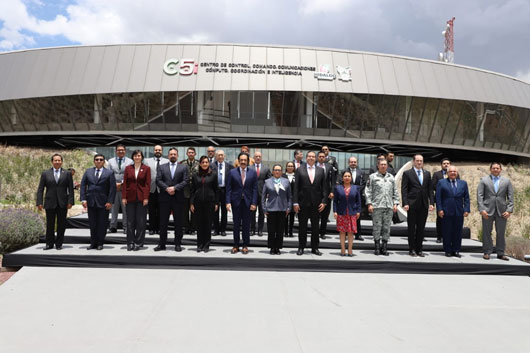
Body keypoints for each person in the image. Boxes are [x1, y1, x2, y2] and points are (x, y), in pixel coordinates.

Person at [293, 151, 329, 256]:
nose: (311, 158)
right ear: (306, 157)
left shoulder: (321, 171)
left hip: (316, 204)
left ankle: (315, 248)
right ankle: (301, 247)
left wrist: (324, 202)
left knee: (315, 228)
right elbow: (296, 188)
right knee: (302, 227)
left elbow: (324, 188)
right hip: (302, 203)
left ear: (316, 158)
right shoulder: (300, 170)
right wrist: (295, 202)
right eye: (309, 156)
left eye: (313, 156)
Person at [36, 154, 74, 250]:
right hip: (50, 202)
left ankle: (59, 244)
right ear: (52, 162)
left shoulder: (67, 173)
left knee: (61, 224)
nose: (57, 162)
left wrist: (70, 201)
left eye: (59, 160)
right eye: (55, 160)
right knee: (50, 224)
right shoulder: (45, 173)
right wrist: (39, 202)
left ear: (62, 162)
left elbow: (70, 189)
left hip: (62, 203)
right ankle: (49, 244)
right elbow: (40, 189)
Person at [477, 162, 513, 261]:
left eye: (497, 168)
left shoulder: (506, 181)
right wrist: (482, 209)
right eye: (494, 168)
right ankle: (487, 252)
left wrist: (509, 210)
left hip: (502, 211)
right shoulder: (484, 180)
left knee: (501, 232)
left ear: (500, 169)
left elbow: (510, 197)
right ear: (490, 169)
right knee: (487, 232)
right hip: (487, 210)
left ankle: (500, 253)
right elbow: (479, 196)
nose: (495, 170)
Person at [80, 154, 116, 250]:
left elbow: (112, 189)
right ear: (94, 161)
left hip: (104, 202)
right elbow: (83, 185)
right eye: (96, 159)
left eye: (101, 159)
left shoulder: (109, 173)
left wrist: (110, 201)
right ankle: (93, 243)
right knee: (92, 224)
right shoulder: (88, 171)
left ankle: (100, 243)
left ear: (104, 161)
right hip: (91, 202)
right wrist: (83, 199)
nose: (98, 161)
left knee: (102, 224)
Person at [401, 154, 434, 257]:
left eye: (421, 161)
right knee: (411, 228)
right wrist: (405, 203)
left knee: (421, 228)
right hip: (412, 204)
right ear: (413, 161)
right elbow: (404, 190)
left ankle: (419, 249)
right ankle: (412, 249)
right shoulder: (407, 173)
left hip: (424, 205)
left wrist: (432, 203)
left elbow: (430, 190)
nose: (419, 163)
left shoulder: (427, 174)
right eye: (417, 161)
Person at [155, 148, 188, 252]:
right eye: (171, 154)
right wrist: (166, 188)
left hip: (178, 198)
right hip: (165, 198)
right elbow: (158, 180)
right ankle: (162, 244)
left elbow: (186, 180)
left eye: (175, 154)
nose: (173, 155)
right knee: (163, 222)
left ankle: (177, 244)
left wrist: (175, 188)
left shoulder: (183, 167)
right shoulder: (161, 167)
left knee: (178, 222)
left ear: (177, 156)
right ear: (168, 156)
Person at [365, 159, 399, 256]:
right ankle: (376, 247)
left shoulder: (391, 177)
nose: (383, 166)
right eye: (382, 164)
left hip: (388, 206)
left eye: (385, 164)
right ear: (378, 166)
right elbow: (368, 191)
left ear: (387, 166)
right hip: (377, 206)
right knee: (377, 227)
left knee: (386, 228)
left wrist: (395, 203)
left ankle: (384, 248)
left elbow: (395, 192)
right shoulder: (372, 177)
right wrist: (369, 204)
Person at [226, 152, 258, 254]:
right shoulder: (232, 172)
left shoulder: (252, 173)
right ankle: (235, 245)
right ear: (238, 161)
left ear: (248, 161)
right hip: (236, 202)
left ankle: (245, 245)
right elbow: (229, 189)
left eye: (245, 160)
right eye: (241, 160)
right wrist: (227, 202)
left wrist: (254, 203)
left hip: (248, 203)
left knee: (246, 225)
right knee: (236, 225)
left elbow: (255, 189)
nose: (243, 162)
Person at [436, 165, 470, 257]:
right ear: (447, 173)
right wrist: (439, 209)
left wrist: (466, 209)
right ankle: (447, 250)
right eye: (451, 171)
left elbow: (466, 198)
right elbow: (438, 197)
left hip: (459, 211)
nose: (453, 173)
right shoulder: (441, 182)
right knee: (447, 231)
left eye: (454, 171)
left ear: (457, 173)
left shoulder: (463, 183)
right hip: (446, 211)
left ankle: (456, 250)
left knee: (458, 232)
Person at [122, 150, 151, 251]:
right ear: (132, 157)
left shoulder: (146, 169)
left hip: (142, 198)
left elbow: (147, 184)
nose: (137, 157)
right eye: (135, 155)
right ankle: (130, 242)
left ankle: (139, 242)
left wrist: (146, 197)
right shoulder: (128, 168)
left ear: (142, 157)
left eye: (139, 156)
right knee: (130, 221)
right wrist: (124, 197)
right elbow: (125, 184)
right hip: (130, 198)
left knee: (141, 222)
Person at [191, 156, 219, 253]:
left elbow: (216, 190)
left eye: (206, 162)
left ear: (209, 163)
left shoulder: (213, 175)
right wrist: (191, 203)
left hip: (210, 203)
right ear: (200, 163)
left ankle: (206, 245)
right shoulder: (195, 175)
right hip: (198, 203)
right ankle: (199, 244)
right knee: (199, 225)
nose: (205, 164)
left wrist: (216, 203)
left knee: (207, 225)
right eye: (203, 162)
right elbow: (192, 190)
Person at [262, 164, 292, 255]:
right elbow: (263, 197)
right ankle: (271, 247)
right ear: (273, 171)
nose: (277, 171)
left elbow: (290, 196)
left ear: (282, 171)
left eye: (279, 170)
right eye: (275, 170)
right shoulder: (267, 182)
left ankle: (278, 248)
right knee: (271, 230)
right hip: (271, 209)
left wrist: (289, 207)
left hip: (282, 209)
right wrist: (264, 209)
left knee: (280, 230)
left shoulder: (286, 182)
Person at [333, 171, 361, 256]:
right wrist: (335, 211)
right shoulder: (338, 188)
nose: (347, 177)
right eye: (345, 176)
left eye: (349, 176)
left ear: (351, 178)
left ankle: (350, 250)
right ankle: (342, 249)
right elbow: (335, 201)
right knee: (342, 232)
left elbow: (358, 201)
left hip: (352, 212)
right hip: (341, 212)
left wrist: (358, 211)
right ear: (342, 178)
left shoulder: (356, 188)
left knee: (350, 232)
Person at [107, 144, 133, 233]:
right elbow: (108, 174)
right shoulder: (110, 161)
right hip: (113, 188)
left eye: (122, 150)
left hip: (125, 188)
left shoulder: (130, 162)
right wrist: (114, 184)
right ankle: (113, 226)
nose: (120, 151)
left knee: (125, 208)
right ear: (116, 151)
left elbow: (131, 175)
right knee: (114, 208)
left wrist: (121, 183)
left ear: (125, 151)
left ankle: (125, 227)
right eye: (119, 150)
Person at [144, 145, 169, 235]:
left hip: (162, 189)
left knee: (161, 210)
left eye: (159, 150)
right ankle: (152, 228)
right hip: (151, 189)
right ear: (153, 151)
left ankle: (159, 228)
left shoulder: (167, 161)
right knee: (151, 210)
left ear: (162, 151)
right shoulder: (147, 161)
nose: (157, 151)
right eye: (156, 150)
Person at [341, 156, 366, 241]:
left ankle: (358, 234)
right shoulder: (344, 171)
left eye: (354, 162)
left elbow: (363, 183)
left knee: (357, 216)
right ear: (349, 163)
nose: (353, 163)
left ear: (357, 163)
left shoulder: (361, 172)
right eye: (351, 162)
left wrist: (355, 190)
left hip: (357, 196)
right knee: (346, 216)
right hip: (347, 196)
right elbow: (342, 182)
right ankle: (346, 234)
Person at [250, 151, 271, 236]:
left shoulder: (266, 168)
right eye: (256, 156)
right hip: (252, 194)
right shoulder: (249, 168)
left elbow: (269, 181)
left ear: (261, 158)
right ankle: (252, 229)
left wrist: (269, 192)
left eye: (259, 156)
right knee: (252, 213)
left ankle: (260, 230)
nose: (258, 158)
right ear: (254, 158)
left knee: (262, 213)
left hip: (263, 194)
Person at [212, 149, 233, 236]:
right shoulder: (211, 166)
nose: (220, 156)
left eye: (222, 155)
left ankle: (223, 229)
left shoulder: (230, 166)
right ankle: (216, 229)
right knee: (215, 210)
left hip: (225, 190)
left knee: (224, 211)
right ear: (216, 156)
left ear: (224, 156)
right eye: (218, 155)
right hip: (215, 191)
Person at [316, 151, 336, 240]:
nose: (321, 158)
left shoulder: (330, 167)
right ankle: (315, 231)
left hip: (327, 194)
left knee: (325, 214)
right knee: (315, 214)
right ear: (317, 157)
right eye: (319, 156)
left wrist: (332, 191)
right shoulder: (313, 167)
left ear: (325, 158)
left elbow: (333, 181)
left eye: (323, 156)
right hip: (315, 193)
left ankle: (322, 232)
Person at [180, 147, 200, 235]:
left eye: (192, 152)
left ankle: (193, 227)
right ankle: (186, 227)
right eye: (189, 152)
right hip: (185, 189)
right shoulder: (182, 163)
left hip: (195, 189)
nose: (191, 154)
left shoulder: (199, 163)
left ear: (195, 154)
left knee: (194, 209)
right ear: (187, 154)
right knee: (184, 210)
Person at [432, 158, 451, 243]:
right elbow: (433, 186)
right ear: (441, 165)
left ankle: (448, 236)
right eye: (444, 163)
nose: (446, 165)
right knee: (440, 218)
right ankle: (439, 236)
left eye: (447, 163)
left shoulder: (454, 174)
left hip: (451, 200)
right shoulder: (436, 174)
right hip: (440, 199)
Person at [283, 161, 296, 238]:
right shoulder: (283, 176)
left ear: (294, 168)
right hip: (284, 199)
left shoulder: (296, 176)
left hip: (294, 199)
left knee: (292, 217)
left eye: (292, 166)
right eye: (289, 166)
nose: (290, 167)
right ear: (286, 167)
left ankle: (291, 232)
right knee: (285, 216)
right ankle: (285, 232)